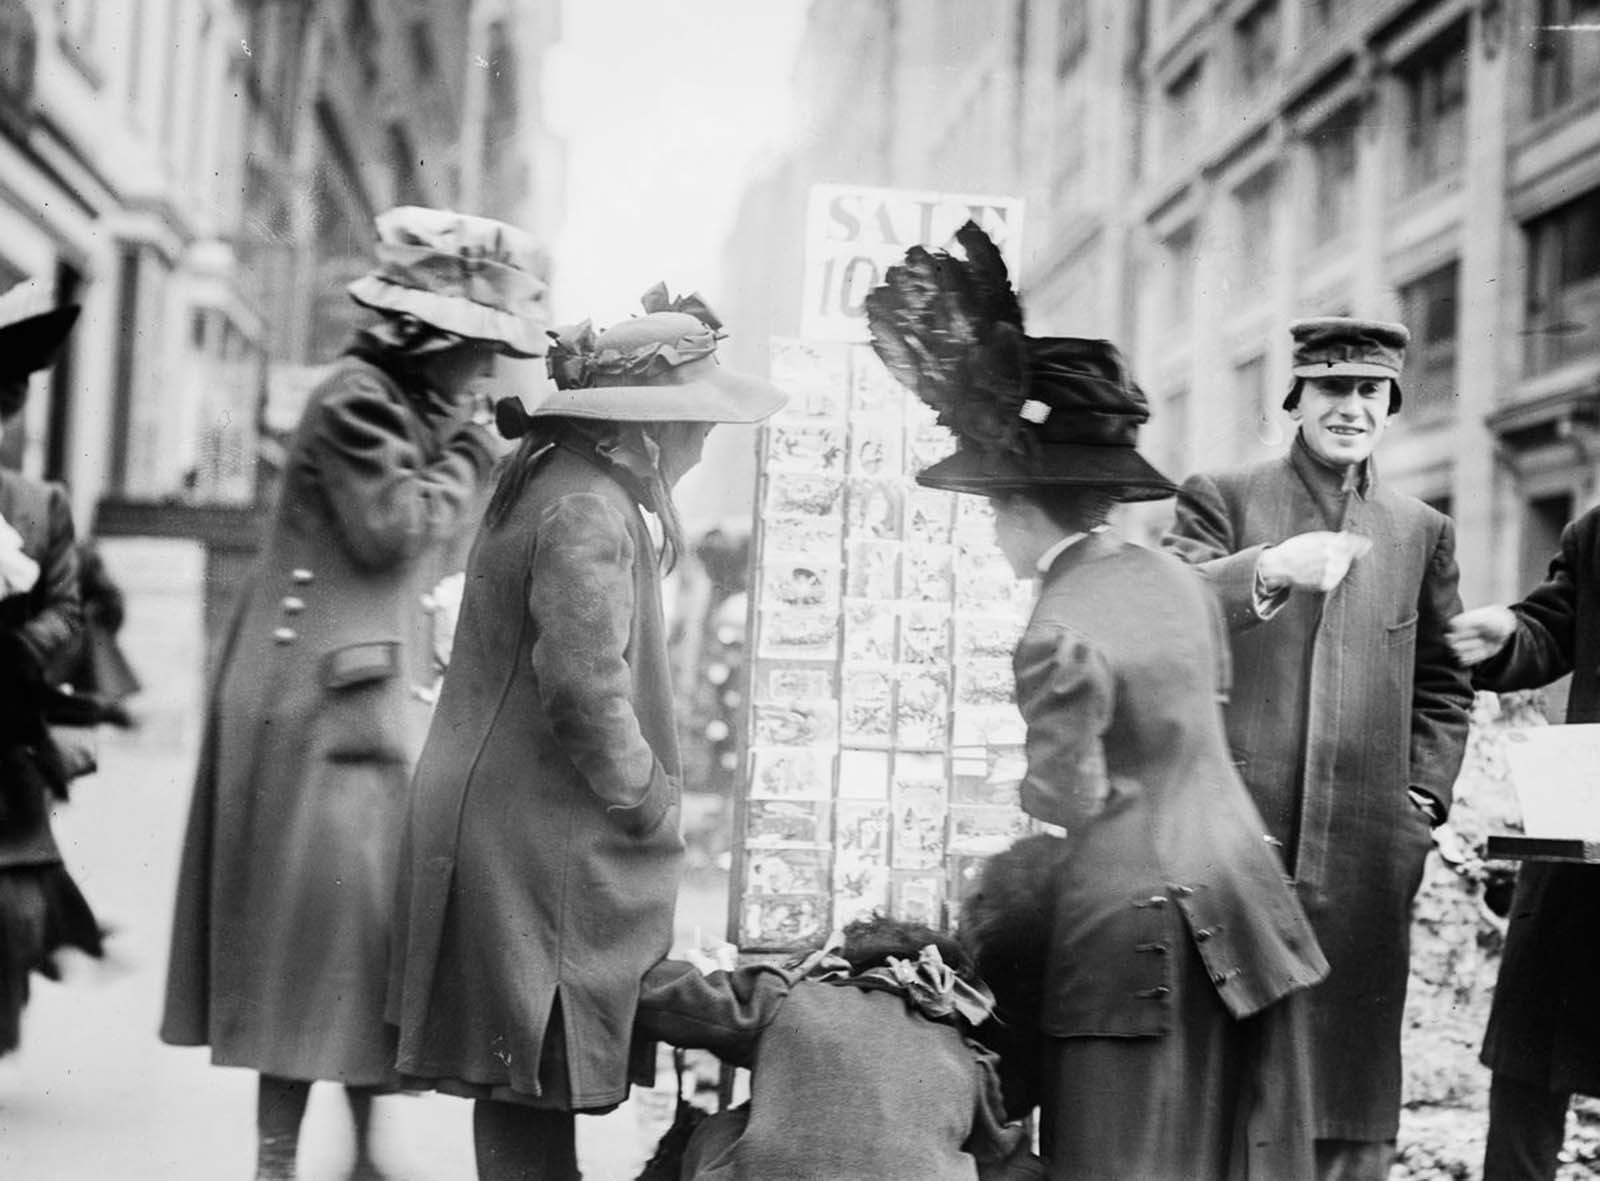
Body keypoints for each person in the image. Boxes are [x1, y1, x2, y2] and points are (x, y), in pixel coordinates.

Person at [866, 223, 1328, 1179]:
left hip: (1127, 941)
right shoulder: (1170, 577)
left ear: (1026, 508)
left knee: (1115, 1156)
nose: (992, 530)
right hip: (1238, 907)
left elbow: (1067, 795)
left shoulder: (1054, 626)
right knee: (1210, 1153)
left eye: (994, 508)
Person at [159, 206, 548, 1181]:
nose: (483, 374)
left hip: (364, 700)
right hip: (314, 710)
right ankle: (277, 1161)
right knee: (310, 937)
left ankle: (364, 1151)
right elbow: (391, 527)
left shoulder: (399, 400)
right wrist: (470, 451)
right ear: (434, 341)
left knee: (370, 934)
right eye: (477, 350)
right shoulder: (354, 399)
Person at [387, 288, 786, 1181]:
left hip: (506, 824)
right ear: (645, 427)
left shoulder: (552, 483)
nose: (701, 443)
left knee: (520, 1087)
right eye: (697, 425)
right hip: (540, 838)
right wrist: (647, 797)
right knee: (532, 1078)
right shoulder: (590, 510)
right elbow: (584, 690)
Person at [1162, 316, 1474, 1178]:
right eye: (1332, 387)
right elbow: (1162, 614)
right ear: (1297, 397)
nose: (1351, 407)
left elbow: (1446, 683)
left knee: (1346, 1097)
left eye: (1370, 390)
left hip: (1366, 862)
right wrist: (1265, 571)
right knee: (1224, 1091)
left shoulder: (1421, 530)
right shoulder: (1221, 496)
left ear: (1391, 405)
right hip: (1232, 845)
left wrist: (1420, 803)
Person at [632, 914, 1040, 1180]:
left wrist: (780, 978)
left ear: (843, 962)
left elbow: (659, 997)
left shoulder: (787, 1001)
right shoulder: (966, 1053)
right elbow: (1004, 1159)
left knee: (723, 1126)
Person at [1448, 511, 1600, 1180]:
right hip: (1585, 843)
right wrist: (1510, 632)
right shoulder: (1597, 533)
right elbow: (1550, 626)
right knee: (1527, 1072)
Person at [0, 280, 98, 1057]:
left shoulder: (38, 506)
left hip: (6, 727)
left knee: (15, 910)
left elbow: (68, 610)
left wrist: (12, 650)